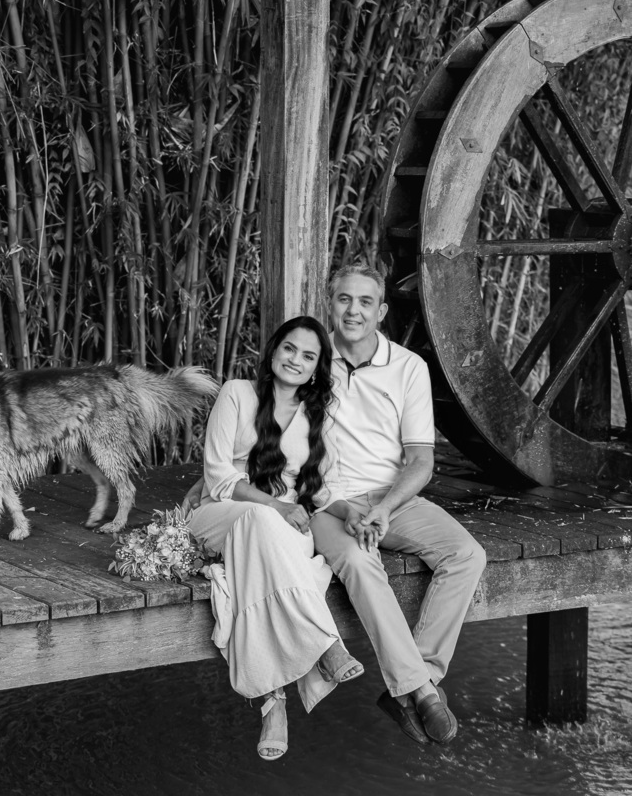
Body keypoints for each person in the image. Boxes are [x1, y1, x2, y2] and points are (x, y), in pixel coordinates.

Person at [308, 263, 486, 746]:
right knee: (362, 567)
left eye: (365, 302)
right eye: (345, 299)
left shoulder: (408, 367)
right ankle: (423, 694)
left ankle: (417, 676)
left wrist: (385, 508)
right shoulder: (308, 357)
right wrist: (343, 507)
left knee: (467, 554)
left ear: (381, 311)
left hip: (393, 499)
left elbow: (421, 461)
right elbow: (287, 454)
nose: (354, 311)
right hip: (328, 504)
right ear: (331, 302)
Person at [188, 315, 365, 761]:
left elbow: (323, 492)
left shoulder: (316, 416)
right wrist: (277, 507)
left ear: (317, 368)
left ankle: (274, 704)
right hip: (219, 516)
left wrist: (356, 514)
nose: (296, 360)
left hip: (283, 527)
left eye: (309, 356)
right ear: (273, 351)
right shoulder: (237, 394)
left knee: (272, 541)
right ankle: (325, 642)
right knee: (265, 524)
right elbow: (218, 475)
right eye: (290, 349)